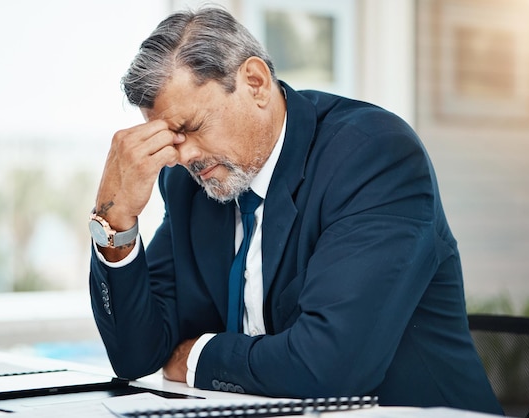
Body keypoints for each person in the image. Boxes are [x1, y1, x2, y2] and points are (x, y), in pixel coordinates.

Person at [88, 6, 503, 415]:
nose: (185, 156)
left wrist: (198, 355)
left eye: (192, 127)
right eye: (170, 139)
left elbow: (328, 366)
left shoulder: (374, 156)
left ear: (255, 82)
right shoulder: (188, 182)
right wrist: (115, 221)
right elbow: (136, 356)